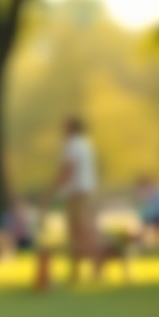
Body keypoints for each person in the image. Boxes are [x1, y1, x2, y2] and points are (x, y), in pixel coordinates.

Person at [43, 116, 105, 282]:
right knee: (83, 230)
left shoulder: (73, 145)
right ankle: (79, 270)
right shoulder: (85, 144)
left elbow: (67, 170)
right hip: (85, 191)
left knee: (81, 230)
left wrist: (50, 192)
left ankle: (93, 268)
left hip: (78, 193)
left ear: (71, 128)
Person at [136, 174, 159, 250]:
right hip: (148, 213)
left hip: (157, 213)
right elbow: (143, 201)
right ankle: (144, 244)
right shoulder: (145, 191)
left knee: (158, 230)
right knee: (146, 229)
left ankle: (158, 245)